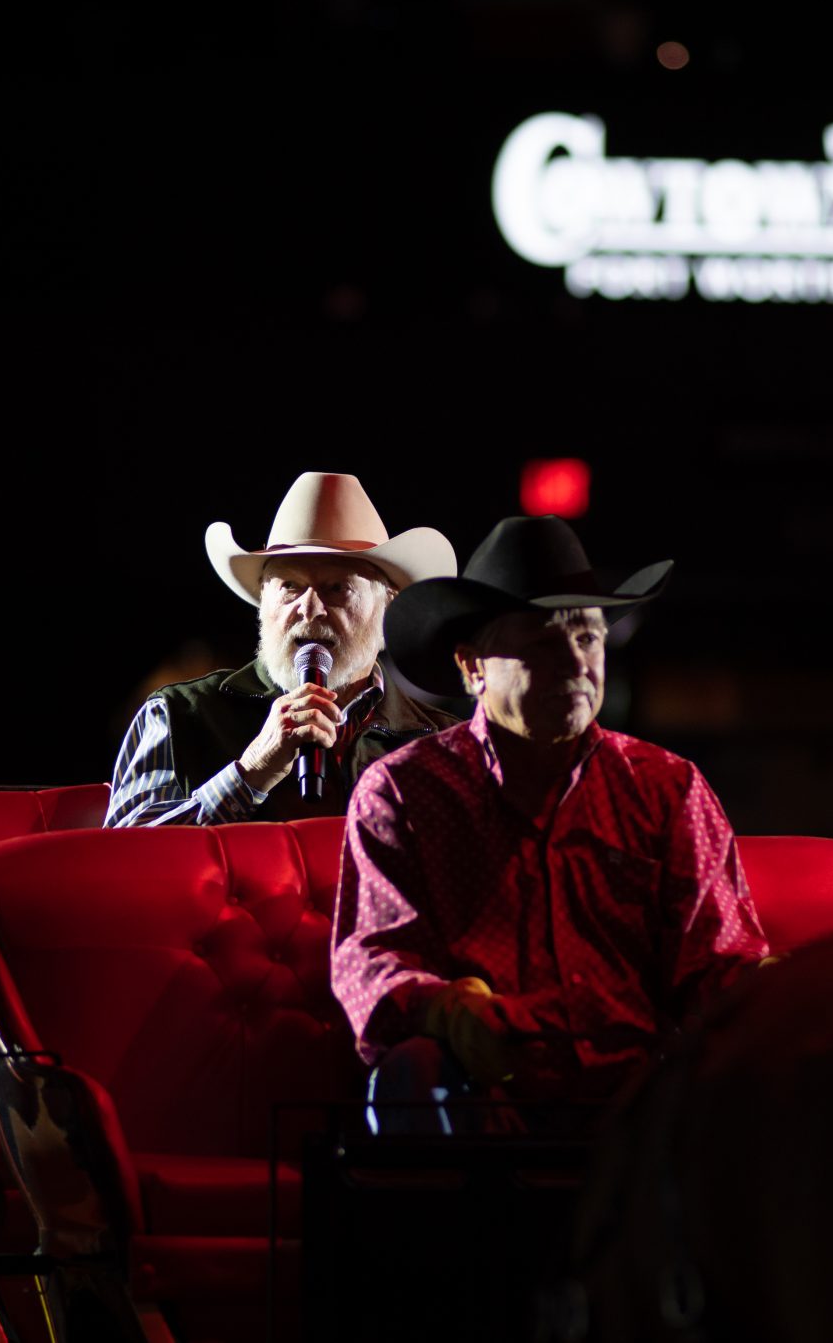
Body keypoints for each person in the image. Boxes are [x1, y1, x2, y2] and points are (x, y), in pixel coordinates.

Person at [330, 515, 771, 1129]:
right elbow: (370, 963)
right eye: (542, 640)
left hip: (639, 1107)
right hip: (477, 1097)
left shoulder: (667, 789)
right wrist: (448, 1011)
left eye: (588, 638)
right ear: (472, 667)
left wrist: (782, 997)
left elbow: (719, 964)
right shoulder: (405, 792)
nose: (575, 661)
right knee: (416, 1073)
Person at [104, 472, 461, 827]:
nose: (310, 608)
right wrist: (252, 771)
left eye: (337, 588)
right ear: (263, 602)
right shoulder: (182, 714)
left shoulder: (446, 744)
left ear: (388, 607)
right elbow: (122, 864)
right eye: (290, 586)